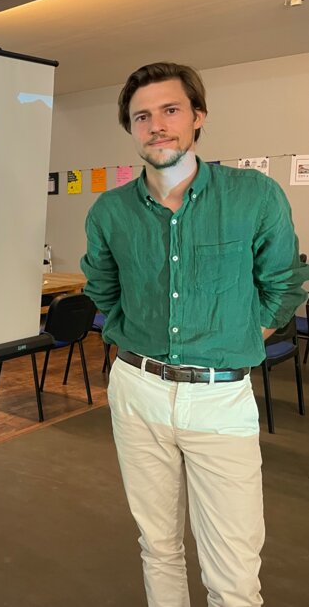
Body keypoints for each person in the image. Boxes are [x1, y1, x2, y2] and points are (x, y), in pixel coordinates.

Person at [81, 62, 308, 607]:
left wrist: (240, 335)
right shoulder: (110, 211)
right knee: (157, 546)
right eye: (142, 116)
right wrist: (134, 341)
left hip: (221, 398)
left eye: (170, 109)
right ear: (131, 129)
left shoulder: (254, 195)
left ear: (198, 115)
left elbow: (285, 283)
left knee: (233, 570)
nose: (156, 125)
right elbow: (103, 288)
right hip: (137, 392)